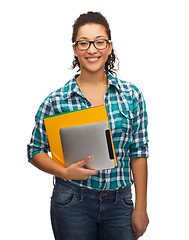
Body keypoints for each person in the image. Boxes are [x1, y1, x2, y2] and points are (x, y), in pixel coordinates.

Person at [27, 11, 149, 240]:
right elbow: (34, 151)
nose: (92, 49)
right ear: (75, 49)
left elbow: (139, 151)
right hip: (72, 201)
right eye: (83, 43)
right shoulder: (56, 101)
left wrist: (140, 206)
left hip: (120, 203)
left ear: (109, 46)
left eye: (99, 42)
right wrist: (63, 171)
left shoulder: (131, 95)